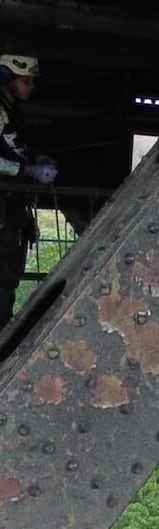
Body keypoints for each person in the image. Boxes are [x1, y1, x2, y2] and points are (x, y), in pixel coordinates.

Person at [0, 54, 56, 333]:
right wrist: (26, 170)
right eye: (25, 81)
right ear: (7, 79)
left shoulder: (13, 113)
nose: (31, 87)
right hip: (3, 208)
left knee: (8, 277)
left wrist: (33, 161)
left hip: (12, 208)